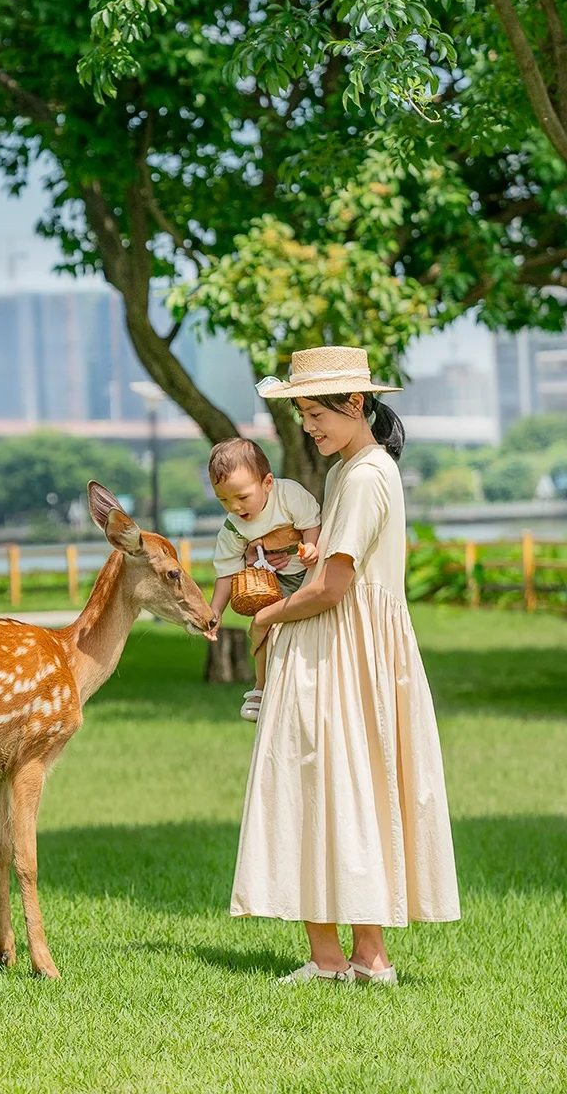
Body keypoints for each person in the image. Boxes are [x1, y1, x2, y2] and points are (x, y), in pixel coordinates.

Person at [230, 346, 460, 985]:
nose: (307, 425)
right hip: (351, 644)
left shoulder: (360, 477)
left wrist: (267, 618)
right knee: (353, 786)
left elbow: (334, 588)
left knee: (324, 784)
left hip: (340, 644)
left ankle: (345, 959)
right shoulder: (353, 470)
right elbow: (332, 566)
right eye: (301, 413)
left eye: (314, 413)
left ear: (355, 403)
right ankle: (359, 958)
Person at [208, 438, 321, 720]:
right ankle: (261, 686)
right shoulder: (234, 527)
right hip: (273, 584)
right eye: (223, 500)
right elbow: (226, 571)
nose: (234, 506)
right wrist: (215, 611)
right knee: (262, 630)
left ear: (267, 483)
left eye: (242, 497)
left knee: (313, 628)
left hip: (309, 575)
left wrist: (310, 547)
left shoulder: (288, 496)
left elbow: (310, 522)